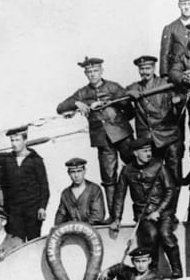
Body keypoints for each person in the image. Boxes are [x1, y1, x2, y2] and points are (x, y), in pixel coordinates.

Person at [56, 58, 133, 213]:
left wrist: (113, 109)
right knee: (109, 179)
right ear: (86, 74)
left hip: (123, 136)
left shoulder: (113, 87)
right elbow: (60, 107)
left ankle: (143, 211)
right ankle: (114, 217)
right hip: (102, 140)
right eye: (89, 72)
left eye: (95, 71)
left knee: (136, 170)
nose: (92, 75)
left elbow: (130, 110)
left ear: (101, 71)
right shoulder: (82, 93)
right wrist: (77, 104)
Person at [109, 138, 181, 278]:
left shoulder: (160, 166)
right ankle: (153, 271)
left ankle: (177, 269)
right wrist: (116, 219)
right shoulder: (127, 171)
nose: (148, 153)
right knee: (151, 236)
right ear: (136, 153)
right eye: (145, 151)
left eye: (149, 150)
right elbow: (119, 196)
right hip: (143, 214)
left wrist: (158, 211)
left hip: (164, 211)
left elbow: (170, 191)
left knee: (166, 235)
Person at [127, 54, 183, 187]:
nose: (144, 72)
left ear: (154, 68)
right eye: (142, 69)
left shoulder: (165, 84)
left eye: (147, 68)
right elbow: (120, 94)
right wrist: (128, 93)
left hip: (168, 136)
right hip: (148, 140)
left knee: (174, 176)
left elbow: (182, 96)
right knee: (154, 178)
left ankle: (173, 207)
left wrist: (178, 100)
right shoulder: (134, 87)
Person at [53, 157, 108, 226]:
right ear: (68, 173)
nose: (76, 175)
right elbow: (60, 216)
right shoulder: (65, 193)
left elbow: (97, 216)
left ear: (84, 171)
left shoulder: (94, 189)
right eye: (73, 172)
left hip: (92, 231)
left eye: (79, 171)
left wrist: (80, 228)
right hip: (72, 233)